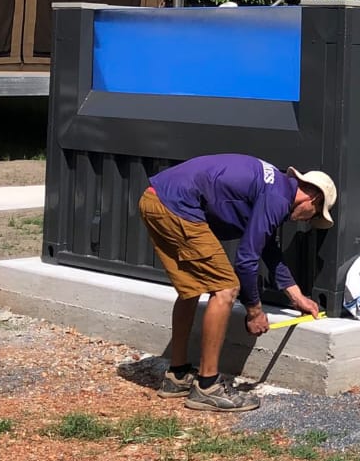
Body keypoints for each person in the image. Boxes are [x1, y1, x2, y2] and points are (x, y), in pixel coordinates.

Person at [137, 154, 336, 411]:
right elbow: (246, 260)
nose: (306, 220)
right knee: (226, 288)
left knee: (192, 289)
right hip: (177, 205)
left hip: (155, 199)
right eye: (313, 215)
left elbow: (268, 250)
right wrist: (254, 311)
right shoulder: (277, 197)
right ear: (313, 199)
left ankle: (177, 375)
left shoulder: (274, 185)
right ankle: (207, 387)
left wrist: (297, 298)